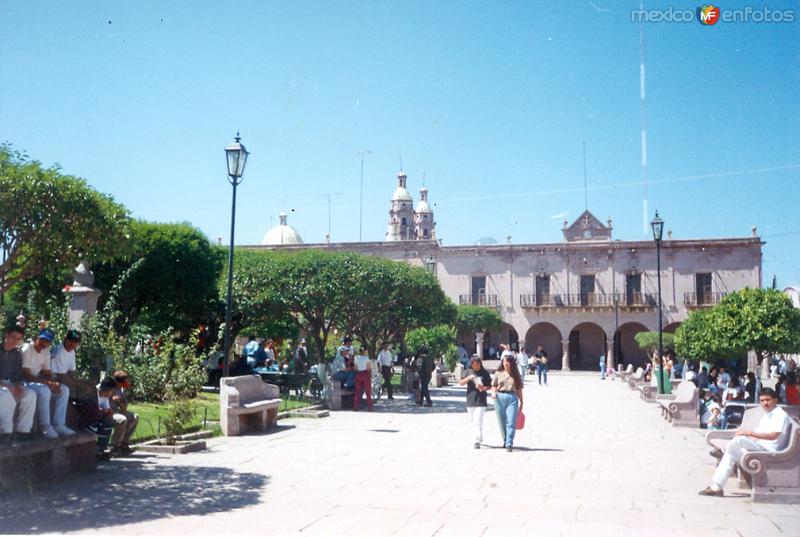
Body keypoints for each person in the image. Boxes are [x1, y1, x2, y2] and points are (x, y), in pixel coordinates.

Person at [699, 388, 792, 496]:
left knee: (740, 440)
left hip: (769, 449)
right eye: (762, 401)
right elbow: (758, 436)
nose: (765, 403)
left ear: (775, 400)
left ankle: (723, 450)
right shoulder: (768, 414)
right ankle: (717, 487)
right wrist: (749, 438)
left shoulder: (780, 415)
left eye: (768, 400)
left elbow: (773, 436)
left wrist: (748, 433)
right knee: (732, 452)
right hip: (760, 446)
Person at [21, 328, 74, 438]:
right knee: (44, 390)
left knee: (64, 390)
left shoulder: (46, 352)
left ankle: (59, 424)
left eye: (47, 341)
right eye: (42, 339)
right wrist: (47, 383)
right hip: (23, 382)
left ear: (50, 342)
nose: (44, 343)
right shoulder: (27, 349)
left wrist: (53, 383)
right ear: (37, 338)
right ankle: (45, 426)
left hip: (35, 383)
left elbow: (47, 372)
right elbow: (26, 374)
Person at [0, 323, 35, 443]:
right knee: (6, 395)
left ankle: (23, 431)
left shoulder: (17, 354)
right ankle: (5, 432)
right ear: (6, 335)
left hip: (11, 385)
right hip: (2, 387)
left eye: (19, 339)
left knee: (30, 394)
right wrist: (9, 387)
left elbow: (17, 374)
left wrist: (19, 386)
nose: (15, 341)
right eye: (13, 337)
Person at [491, 353, 524, 451]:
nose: (506, 363)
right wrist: (493, 393)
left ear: (511, 363)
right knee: (502, 421)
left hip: (512, 398)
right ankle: (505, 439)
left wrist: (522, 402)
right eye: (504, 361)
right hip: (499, 397)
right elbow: (493, 385)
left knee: (511, 421)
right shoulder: (498, 373)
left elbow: (519, 389)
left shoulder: (516, 375)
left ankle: (509, 443)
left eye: (508, 361)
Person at [459, 355, 491, 449]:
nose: (475, 367)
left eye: (477, 365)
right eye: (473, 365)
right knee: (473, 421)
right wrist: (469, 378)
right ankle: (479, 437)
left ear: (480, 364)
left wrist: (483, 388)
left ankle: (476, 441)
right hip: (471, 399)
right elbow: (461, 383)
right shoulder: (469, 371)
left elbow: (490, 386)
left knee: (478, 420)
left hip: (481, 400)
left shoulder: (485, 373)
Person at [108, 370, 139, 455]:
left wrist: (120, 401)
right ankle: (114, 446)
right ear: (120, 381)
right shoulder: (109, 387)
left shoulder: (120, 390)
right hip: (107, 413)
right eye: (126, 380)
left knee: (135, 417)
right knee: (122, 419)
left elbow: (124, 409)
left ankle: (123, 443)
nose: (128, 382)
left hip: (116, 412)